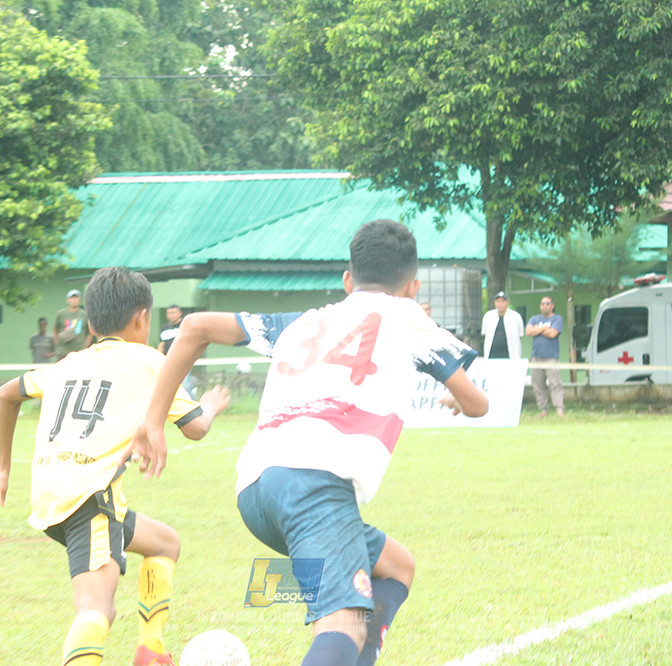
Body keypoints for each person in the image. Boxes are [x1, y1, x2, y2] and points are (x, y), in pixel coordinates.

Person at [129, 220, 488, 666]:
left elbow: (196, 326)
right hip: (315, 487)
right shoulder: (409, 318)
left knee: (396, 567)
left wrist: (153, 420)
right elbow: (478, 403)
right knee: (343, 624)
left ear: (348, 280)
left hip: (254, 491)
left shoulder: (304, 321)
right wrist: (457, 398)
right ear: (413, 287)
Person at [0, 267, 230, 666]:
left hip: (51, 495)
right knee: (97, 609)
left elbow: (7, 394)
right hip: (91, 496)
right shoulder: (150, 361)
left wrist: (1, 467)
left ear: (90, 324)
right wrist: (210, 405)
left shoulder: (68, 363)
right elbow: (196, 427)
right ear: (142, 317)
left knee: (165, 543)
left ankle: (151, 649)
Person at [526, 296, 564, 416]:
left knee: (555, 384)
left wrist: (537, 330)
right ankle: (543, 410)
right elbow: (528, 331)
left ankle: (559, 409)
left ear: (552, 306)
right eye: (542, 304)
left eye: (547, 304)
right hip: (536, 357)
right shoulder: (534, 318)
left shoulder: (557, 319)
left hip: (551, 357)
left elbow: (553, 334)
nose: (544, 306)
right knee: (538, 385)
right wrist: (544, 328)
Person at [157, 304, 197, 397]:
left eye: (173, 313)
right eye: (169, 313)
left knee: (185, 386)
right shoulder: (165, 328)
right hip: (168, 362)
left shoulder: (185, 326)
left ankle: (192, 404)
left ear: (179, 313)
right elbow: (162, 345)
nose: (171, 315)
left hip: (183, 361)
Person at [481, 291, 524, 360]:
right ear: (495, 303)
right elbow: (484, 333)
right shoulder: (488, 316)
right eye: (498, 301)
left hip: (510, 357)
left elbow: (520, 335)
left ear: (507, 303)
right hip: (492, 356)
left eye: (503, 301)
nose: (500, 304)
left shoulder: (516, 317)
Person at [54, 289, 93, 361]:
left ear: (79, 299)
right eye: (72, 298)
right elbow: (55, 331)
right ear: (67, 300)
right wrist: (58, 345)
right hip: (63, 353)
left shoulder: (85, 315)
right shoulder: (61, 314)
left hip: (79, 352)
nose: (74, 300)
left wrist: (85, 346)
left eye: (76, 297)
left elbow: (90, 333)